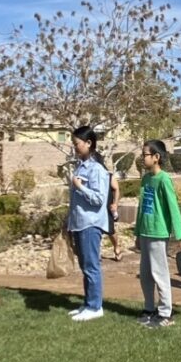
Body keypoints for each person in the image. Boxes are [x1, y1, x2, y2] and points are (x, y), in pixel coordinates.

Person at [135, 139, 181, 328]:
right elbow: (142, 207)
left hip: (159, 232)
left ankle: (166, 312)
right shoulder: (146, 179)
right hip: (145, 232)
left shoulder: (164, 179)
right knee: (145, 274)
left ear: (156, 157)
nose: (143, 158)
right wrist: (137, 233)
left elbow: (174, 208)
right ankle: (149, 308)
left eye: (145, 155)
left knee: (159, 273)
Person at [66, 126, 110, 321]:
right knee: (85, 266)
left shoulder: (97, 169)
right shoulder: (81, 166)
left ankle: (95, 307)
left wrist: (80, 187)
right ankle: (88, 302)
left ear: (89, 143)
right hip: (79, 223)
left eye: (77, 144)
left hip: (90, 224)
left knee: (91, 266)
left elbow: (99, 199)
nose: (75, 147)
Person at [106, 168, 122, 261]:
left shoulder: (108, 176)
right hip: (92, 210)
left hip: (106, 208)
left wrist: (115, 203)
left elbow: (116, 189)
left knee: (110, 231)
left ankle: (116, 246)